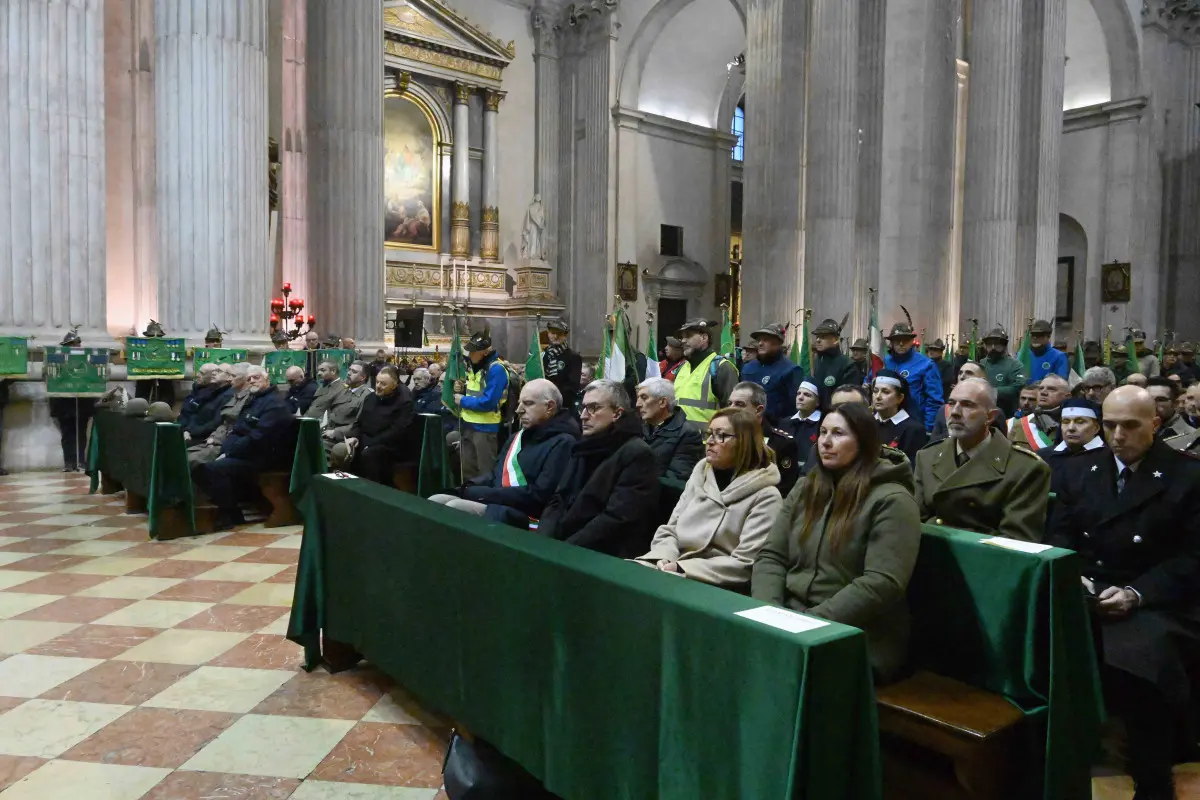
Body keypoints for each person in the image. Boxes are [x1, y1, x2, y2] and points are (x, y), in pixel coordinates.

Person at [1047, 387, 1200, 799]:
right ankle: (1053, 769)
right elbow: (1060, 533)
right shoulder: (1080, 471)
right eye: (1110, 425)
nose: (1117, 436)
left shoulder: (1187, 475)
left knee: (1139, 660)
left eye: (1130, 426)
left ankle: (1153, 781)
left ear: (1154, 424)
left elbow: (1192, 558)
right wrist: (1073, 574)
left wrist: (1136, 592)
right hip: (1089, 589)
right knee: (1037, 640)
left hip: (1158, 598)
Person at [752, 402, 922, 683]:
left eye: (839, 434)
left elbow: (882, 583)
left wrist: (806, 624)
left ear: (864, 442)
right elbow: (772, 555)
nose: (826, 442)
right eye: (822, 432)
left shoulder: (892, 499)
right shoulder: (806, 487)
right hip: (788, 618)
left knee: (777, 675)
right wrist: (769, 614)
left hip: (858, 636)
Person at [634, 408, 781, 590]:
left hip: (713, 581)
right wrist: (664, 557)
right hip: (672, 565)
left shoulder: (766, 495)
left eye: (721, 436)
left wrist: (682, 568)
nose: (710, 441)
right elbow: (671, 529)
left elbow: (745, 562)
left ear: (744, 442)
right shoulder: (700, 475)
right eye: (709, 433)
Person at [913, 377, 1050, 541]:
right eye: (951, 403)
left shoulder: (1025, 469)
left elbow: (1015, 544)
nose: (955, 412)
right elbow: (912, 522)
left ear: (990, 417)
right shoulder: (927, 456)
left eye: (967, 405)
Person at [430, 379, 579, 528]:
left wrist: (477, 494)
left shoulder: (564, 442)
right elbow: (495, 475)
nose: (518, 409)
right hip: (501, 503)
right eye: (520, 403)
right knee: (436, 500)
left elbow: (539, 496)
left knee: (454, 507)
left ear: (549, 407)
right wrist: (466, 488)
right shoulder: (517, 437)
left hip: (527, 515)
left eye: (528, 403)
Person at [537, 380, 660, 556]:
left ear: (617, 413)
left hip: (603, 552)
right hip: (565, 542)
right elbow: (559, 498)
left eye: (593, 408)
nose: (583, 416)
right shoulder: (585, 445)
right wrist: (543, 539)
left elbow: (616, 519)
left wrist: (564, 549)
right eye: (583, 407)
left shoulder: (637, 453)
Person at [192, 365, 295, 529]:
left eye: (256, 377)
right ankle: (231, 510)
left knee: (213, 469)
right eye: (249, 379)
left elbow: (258, 437)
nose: (252, 381)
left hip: (265, 457)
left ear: (267, 380)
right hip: (246, 452)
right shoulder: (253, 401)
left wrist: (229, 453)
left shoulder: (275, 405)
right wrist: (226, 450)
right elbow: (237, 429)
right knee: (200, 466)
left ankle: (229, 514)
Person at [340, 365, 415, 484]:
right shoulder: (370, 397)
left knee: (369, 454)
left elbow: (397, 431)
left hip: (389, 445)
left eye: (383, 384)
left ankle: (373, 491)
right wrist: (353, 436)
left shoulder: (404, 402)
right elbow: (358, 422)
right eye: (377, 382)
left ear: (394, 385)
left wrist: (369, 444)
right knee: (342, 450)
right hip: (365, 440)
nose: (378, 386)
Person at [729, 381, 800, 498]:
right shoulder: (724, 437)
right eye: (729, 403)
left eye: (739, 404)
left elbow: (784, 490)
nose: (731, 409)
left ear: (758, 410)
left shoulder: (782, 443)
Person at [454, 332, 509, 481]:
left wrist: (463, 400)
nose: (470, 354)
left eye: (474, 351)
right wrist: (462, 388)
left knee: (484, 473)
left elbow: (489, 401)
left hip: (485, 428)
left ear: (485, 352)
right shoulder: (476, 366)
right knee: (467, 471)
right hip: (468, 425)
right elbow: (475, 391)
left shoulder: (496, 369)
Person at [673, 319, 739, 430]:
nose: (683, 341)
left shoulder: (722, 368)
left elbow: (733, 413)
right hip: (678, 441)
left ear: (704, 338)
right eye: (682, 337)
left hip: (706, 443)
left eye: (688, 336)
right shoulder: (681, 368)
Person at [636, 377, 704, 481]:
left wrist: (635, 482)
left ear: (662, 402)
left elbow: (676, 481)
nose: (638, 404)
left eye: (644, 398)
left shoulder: (688, 433)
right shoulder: (638, 427)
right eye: (638, 398)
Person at [1035, 397, 1105, 494]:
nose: (1071, 428)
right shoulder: (1042, 457)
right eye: (1066, 422)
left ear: (1096, 428)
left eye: (1080, 422)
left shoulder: (1109, 457)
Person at [883, 320, 943, 430]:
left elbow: (934, 400)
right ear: (891, 342)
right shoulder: (883, 362)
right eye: (897, 340)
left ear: (912, 341)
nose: (901, 343)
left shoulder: (926, 365)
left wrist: (928, 430)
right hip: (886, 423)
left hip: (914, 426)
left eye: (905, 340)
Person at [740, 323, 802, 422]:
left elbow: (794, 408)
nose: (760, 343)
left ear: (778, 342)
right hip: (747, 426)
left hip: (775, 430)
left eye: (765, 339)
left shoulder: (791, 370)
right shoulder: (748, 368)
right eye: (759, 340)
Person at [871, 370, 928, 465]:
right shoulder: (867, 422)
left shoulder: (914, 429)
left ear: (900, 398)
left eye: (886, 392)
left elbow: (911, 468)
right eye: (875, 391)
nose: (878, 396)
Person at [809, 317, 860, 409]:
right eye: (817, 337)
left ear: (836, 340)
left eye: (823, 337)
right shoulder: (816, 361)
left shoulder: (848, 365)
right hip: (815, 418)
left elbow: (848, 401)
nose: (818, 340)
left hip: (837, 417)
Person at [1009, 373, 1069, 450]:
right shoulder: (1021, 425)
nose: (1043, 392)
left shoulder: (1077, 424)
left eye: (1051, 389)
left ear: (1067, 397)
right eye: (1041, 388)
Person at [178, 363, 233, 445]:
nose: (214, 373)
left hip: (203, 437)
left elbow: (216, 422)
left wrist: (191, 431)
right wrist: (186, 429)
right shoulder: (210, 390)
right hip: (189, 430)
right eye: (215, 371)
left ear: (229, 377)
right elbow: (193, 412)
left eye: (219, 371)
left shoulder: (228, 395)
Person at [980, 327, 1027, 418]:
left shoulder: (1015, 365)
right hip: (984, 412)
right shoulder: (981, 363)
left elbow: (1018, 386)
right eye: (990, 344)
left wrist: (992, 391)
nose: (993, 347)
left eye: (997, 344)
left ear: (1004, 345)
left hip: (1008, 413)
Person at [541, 317, 583, 412]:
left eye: (559, 334)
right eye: (552, 333)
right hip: (543, 402)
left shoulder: (573, 356)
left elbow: (573, 385)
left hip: (563, 405)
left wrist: (554, 397)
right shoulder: (543, 355)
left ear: (565, 335)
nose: (555, 336)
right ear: (548, 333)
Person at [782, 380, 823, 466]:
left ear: (817, 402)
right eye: (798, 393)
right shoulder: (785, 422)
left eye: (807, 395)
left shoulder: (822, 424)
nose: (800, 397)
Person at [925, 339, 955, 403]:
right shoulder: (925, 363)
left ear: (941, 352)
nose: (931, 351)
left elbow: (946, 381)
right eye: (930, 349)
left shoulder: (946, 365)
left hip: (940, 397)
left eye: (935, 350)